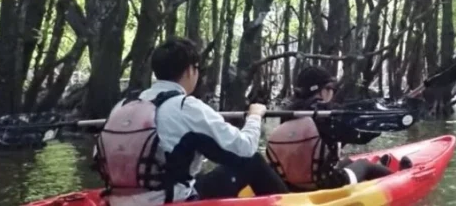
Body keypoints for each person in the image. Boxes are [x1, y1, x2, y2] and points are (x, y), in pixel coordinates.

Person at [94, 37, 288, 204]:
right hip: (171, 202)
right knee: (252, 161)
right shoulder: (185, 106)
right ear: (189, 71)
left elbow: (98, 157)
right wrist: (254, 116)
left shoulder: (122, 106)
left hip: (119, 201)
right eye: (197, 68)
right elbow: (244, 149)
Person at [266, 66, 410, 191]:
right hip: (324, 184)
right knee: (365, 165)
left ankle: (382, 170)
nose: (332, 93)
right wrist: (377, 126)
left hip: (292, 184)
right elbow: (360, 137)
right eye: (330, 88)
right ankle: (402, 179)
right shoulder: (326, 116)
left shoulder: (288, 115)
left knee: (347, 162)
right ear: (321, 91)